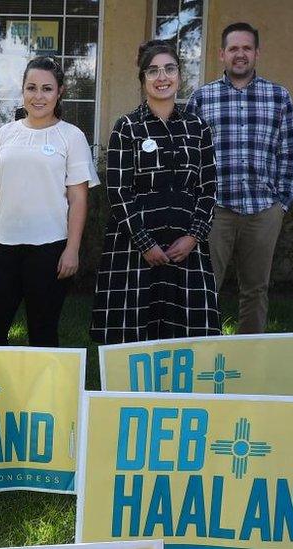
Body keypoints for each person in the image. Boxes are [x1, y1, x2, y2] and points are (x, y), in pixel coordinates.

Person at [91, 40, 220, 344]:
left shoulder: (198, 127)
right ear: (143, 79)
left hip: (186, 249)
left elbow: (209, 190)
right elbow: (119, 192)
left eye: (169, 69)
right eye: (153, 71)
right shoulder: (127, 127)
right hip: (135, 250)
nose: (162, 77)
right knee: (132, 340)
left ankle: (181, 393)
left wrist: (193, 237)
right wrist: (145, 243)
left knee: (187, 338)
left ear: (179, 75)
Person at [0, 56, 98, 347]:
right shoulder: (6, 134)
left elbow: (79, 197)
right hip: (3, 249)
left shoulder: (72, 136)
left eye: (47, 88)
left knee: (42, 335)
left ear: (60, 92)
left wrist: (72, 249)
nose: (38, 96)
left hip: (50, 252)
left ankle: (44, 394)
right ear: (22, 91)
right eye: (31, 88)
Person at [186, 22, 293, 334]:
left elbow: (289, 154)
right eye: (233, 48)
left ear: (257, 53)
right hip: (216, 212)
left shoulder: (279, 97)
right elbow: (190, 159)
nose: (240, 54)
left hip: (263, 211)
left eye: (246, 48)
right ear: (222, 54)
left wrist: (281, 205)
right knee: (205, 288)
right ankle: (203, 354)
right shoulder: (201, 99)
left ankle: (249, 363)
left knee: (255, 290)